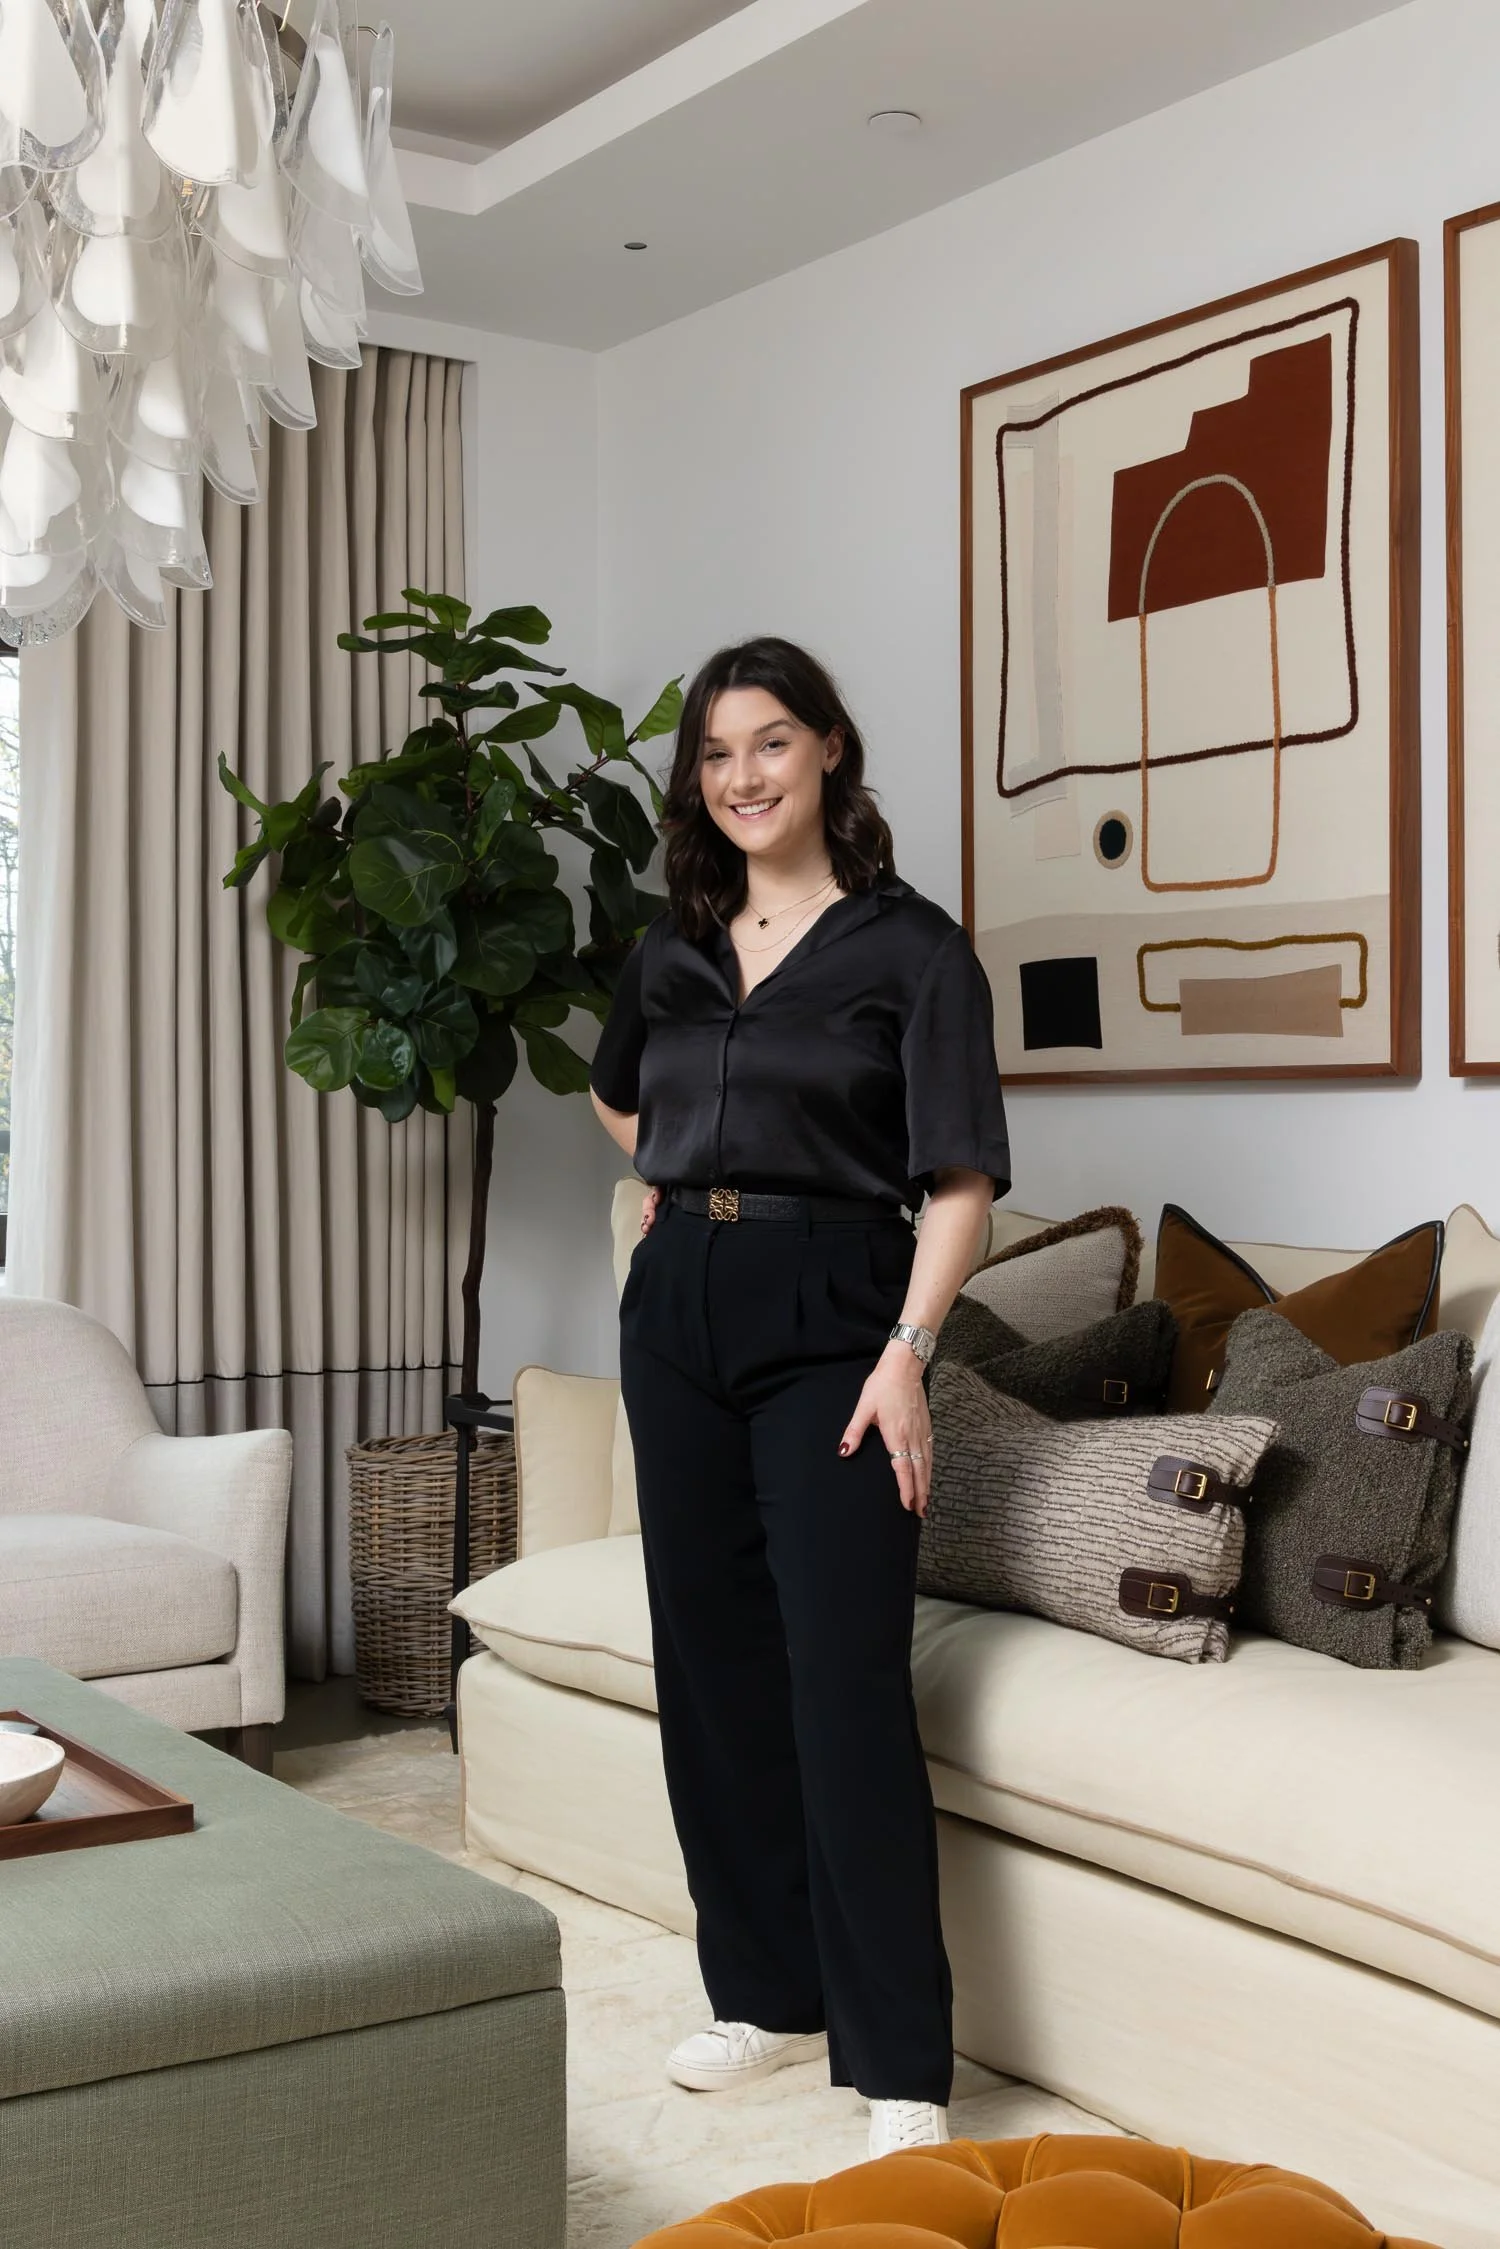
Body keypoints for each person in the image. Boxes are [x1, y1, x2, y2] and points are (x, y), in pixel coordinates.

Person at [588, 636, 1009, 2161]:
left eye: (770, 742)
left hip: (839, 1315)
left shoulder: (914, 951)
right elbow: (616, 1092)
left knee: (843, 1679)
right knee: (711, 1665)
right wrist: (675, 1171)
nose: (743, 776)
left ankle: (899, 2061)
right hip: (676, 1314)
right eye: (716, 754)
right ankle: (763, 1992)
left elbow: (959, 1184)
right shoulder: (674, 946)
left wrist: (907, 1352)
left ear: (830, 748)